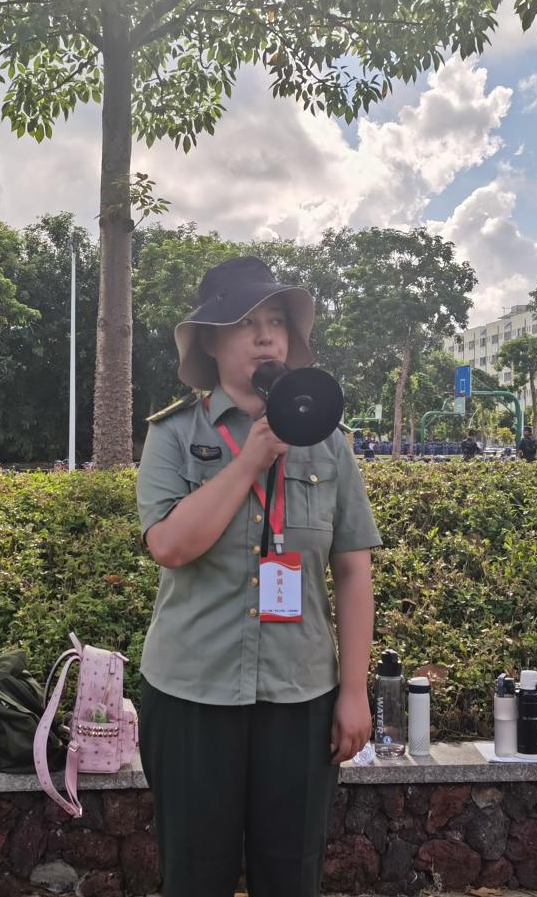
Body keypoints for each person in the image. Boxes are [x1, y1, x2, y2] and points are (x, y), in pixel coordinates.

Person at [136, 256, 380, 897]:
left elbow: (353, 570)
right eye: (246, 323)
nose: (267, 336)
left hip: (299, 695)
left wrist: (354, 693)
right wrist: (248, 462)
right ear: (211, 342)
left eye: (276, 322)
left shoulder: (329, 442)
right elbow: (170, 546)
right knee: (194, 877)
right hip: (192, 692)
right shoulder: (173, 435)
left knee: (292, 875)